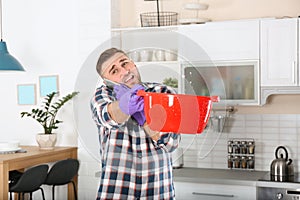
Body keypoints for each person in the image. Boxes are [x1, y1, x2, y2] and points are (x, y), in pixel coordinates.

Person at [90, 47, 181, 199]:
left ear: (133, 64)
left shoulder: (163, 92)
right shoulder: (102, 95)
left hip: (158, 191)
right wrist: (123, 106)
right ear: (107, 81)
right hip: (117, 192)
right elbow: (106, 115)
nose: (124, 71)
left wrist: (144, 115)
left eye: (125, 63)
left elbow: (170, 143)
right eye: (114, 71)